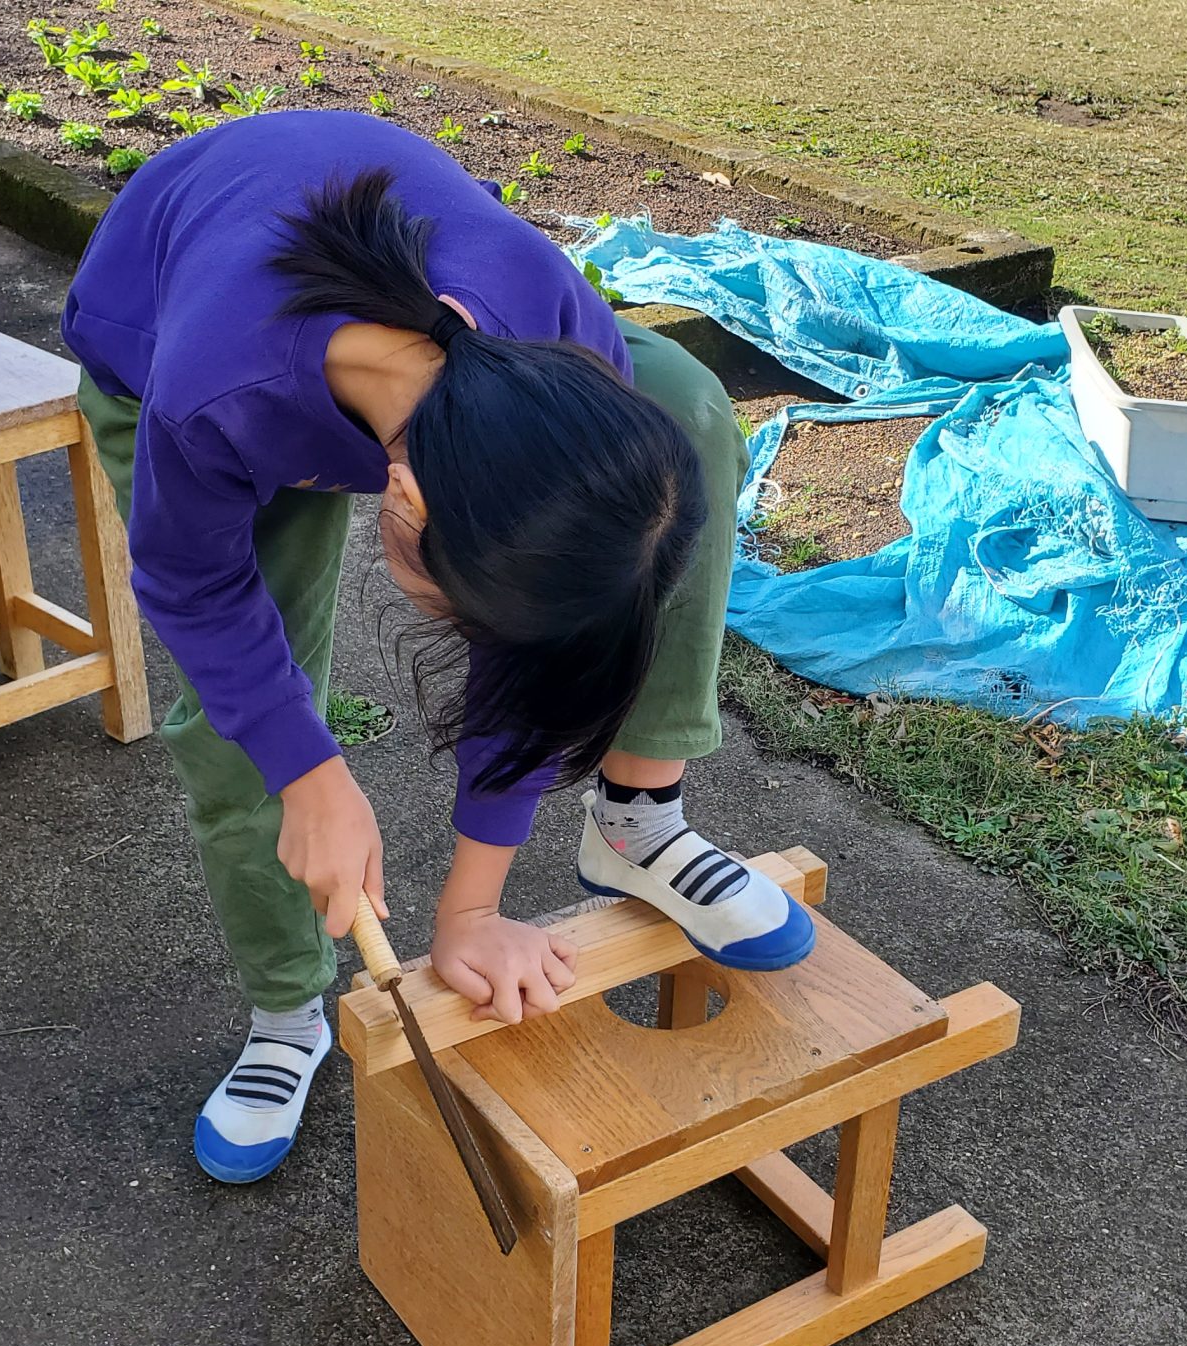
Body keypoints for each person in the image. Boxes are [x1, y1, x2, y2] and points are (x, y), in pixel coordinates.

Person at [62, 111, 814, 1184]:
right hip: (167, 325)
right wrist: (310, 775)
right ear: (401, 500)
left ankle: (636, 822)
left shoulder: (553, 325)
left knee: (686, 411)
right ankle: (285, 1013)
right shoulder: (214, 393)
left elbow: (536, 631)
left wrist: (471, 912)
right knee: (245, 725)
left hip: (394, 350)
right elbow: (192, 585)